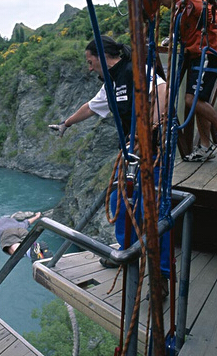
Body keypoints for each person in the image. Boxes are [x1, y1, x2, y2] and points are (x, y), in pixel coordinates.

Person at [48, 36, 170, 296]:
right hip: (130, 153)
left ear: (102, 56)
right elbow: (91, 107)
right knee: (119, 201)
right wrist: (66, 123)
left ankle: (161, 276)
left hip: (153, 151)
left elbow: (161, 91)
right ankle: (126, 253)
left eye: (90, 61)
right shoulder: (111, 84)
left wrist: (149, 131)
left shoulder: (134, 70)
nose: (89, 67)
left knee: (154, 213)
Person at [162, 0, 217, 162]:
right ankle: (205, 146)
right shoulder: (180, 10)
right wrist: (171, 38)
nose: (161, 5)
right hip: (197, 56)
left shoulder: (194, 3)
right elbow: (185, 31)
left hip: (208, 54)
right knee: (200, 102)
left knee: (191, 100)